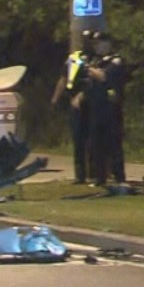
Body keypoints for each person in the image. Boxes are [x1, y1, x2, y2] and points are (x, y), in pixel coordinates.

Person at [51, 31, 95, 184]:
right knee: (78, 139)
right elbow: (64, 79)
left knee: (93, 139)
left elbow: (93, 82)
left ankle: (95, 173)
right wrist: (56, 98)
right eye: (85, 40)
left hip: (92, 102)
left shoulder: (97, 59)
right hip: (75, 104)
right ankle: (80, 175)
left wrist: (81, 96)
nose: (86, 43)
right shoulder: (73, 58)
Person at [84, 31, 127, 186]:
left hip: (111, 108)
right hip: (96, 107)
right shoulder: (97, 61)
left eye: (99, 43)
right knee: (96, 144)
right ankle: (100, 177)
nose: (97, 47)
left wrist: (87, 68)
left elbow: (103, 76)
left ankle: (119, 177)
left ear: (107, 43)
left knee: (114, 143)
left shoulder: (116, 61)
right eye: (95, 44)